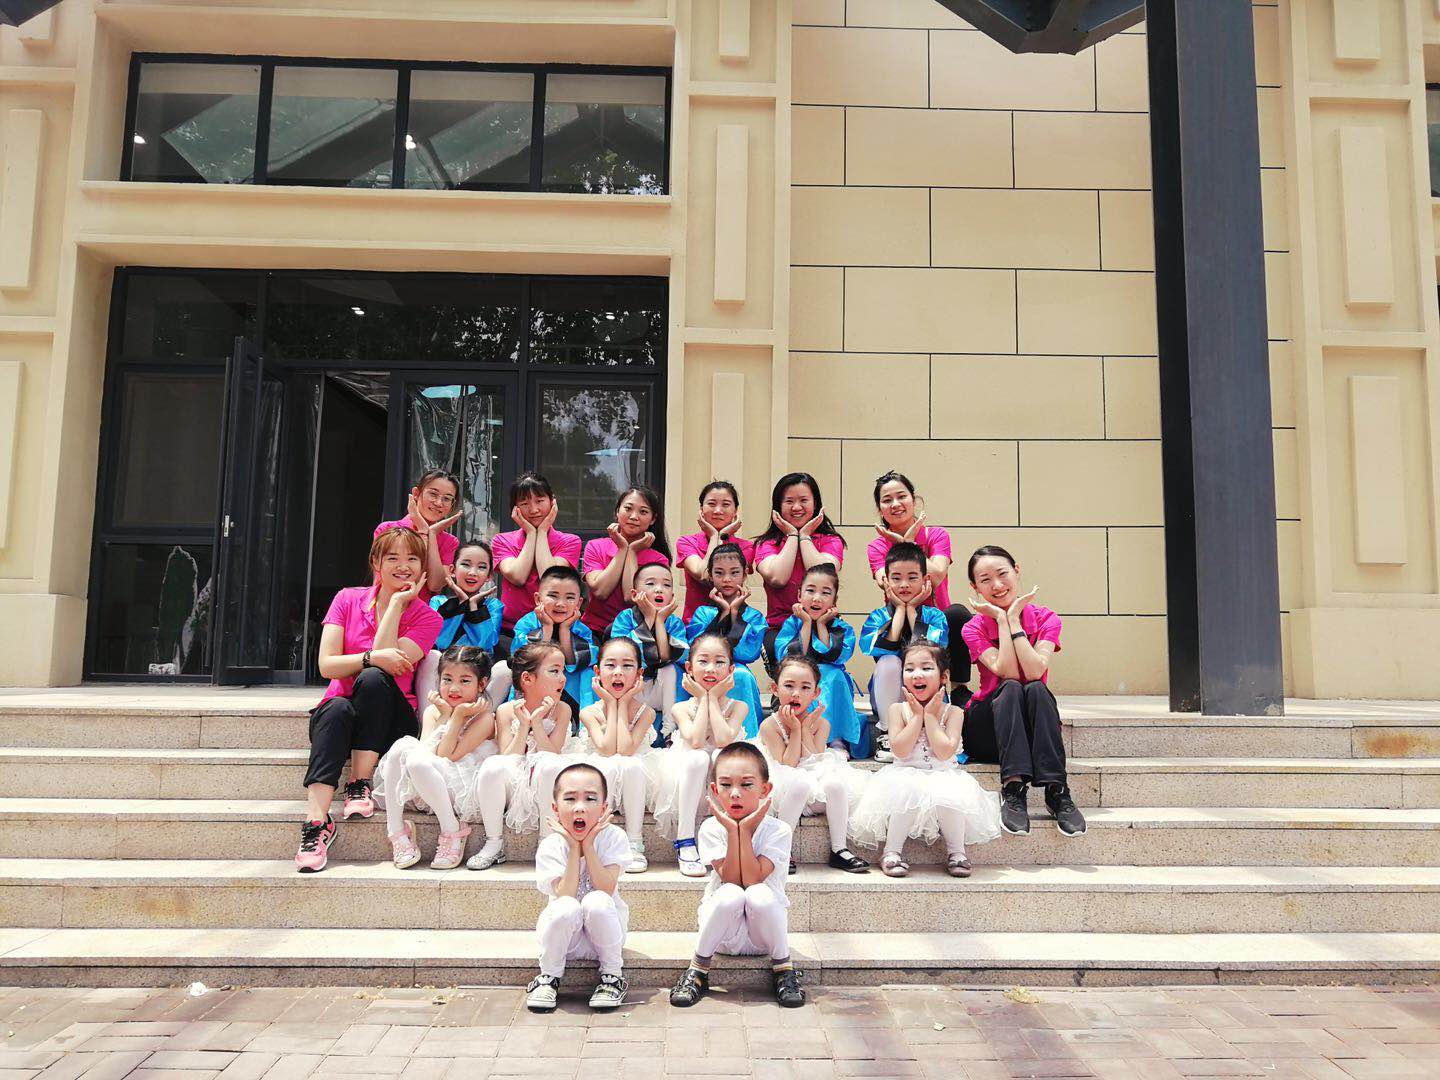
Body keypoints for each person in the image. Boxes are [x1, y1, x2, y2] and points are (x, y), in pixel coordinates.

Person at [297, 526, 443, 873]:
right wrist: (369, 658)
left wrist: (397, 604)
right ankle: (316, 823)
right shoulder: (347, 599)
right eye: (392, 558)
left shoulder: (428, 617)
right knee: (334, 708)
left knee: (374, 678)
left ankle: (359, 781)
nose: (403, 566)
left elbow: (385, 666)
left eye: (412, 559)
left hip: (391, 720)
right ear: (376, 563)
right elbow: (327, 665)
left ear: (423, 568)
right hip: (343, 713)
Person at [961, 545, 1086, 837]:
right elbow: (1007, 671)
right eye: (985, 580)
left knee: (1037, 689)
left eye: (1002, 574)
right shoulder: (972, 628)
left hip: (1031, 728)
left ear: (1016, 571)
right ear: (975, 587)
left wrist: (1014, 619)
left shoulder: (1047, 618)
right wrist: (1002, 620)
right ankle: (1013, 788)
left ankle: (1057, 791)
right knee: (1011, 687)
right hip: (988, 728)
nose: (996, 585)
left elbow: (1034, 672)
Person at [669, 741, 804, 1009]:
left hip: (763, 935)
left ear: (765, 789)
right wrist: (734, 831)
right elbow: (732, 879)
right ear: (714, 790)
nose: (735, 794)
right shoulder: (711, 828)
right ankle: (698, 969)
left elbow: (753, 879)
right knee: (731, 893)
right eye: (726, 785)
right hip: (723, 935)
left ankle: (783, 968)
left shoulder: (778, 830)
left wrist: (743, 830)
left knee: (758, 893)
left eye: (746, 784)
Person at [851, 641, 1002, 878]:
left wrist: (930, 717)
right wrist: (916, 717)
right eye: (909, 669)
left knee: (950, 794)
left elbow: (944, 752)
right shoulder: (897, 710)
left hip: (942, 773)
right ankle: (891, 851)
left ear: (944, 677)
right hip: (904, 774)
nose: (917, 674)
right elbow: (900, 750)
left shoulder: (954, 712)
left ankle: (957, 852)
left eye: (926, 668)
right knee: (908, 790)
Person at [373, 645, 495, 870]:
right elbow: (426, 752)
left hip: (463, 791)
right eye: (447, 679)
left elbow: (448, 755)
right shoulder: (434, 711)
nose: (454, 688)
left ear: (482, 684)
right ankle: (396, 831)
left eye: (465, 681)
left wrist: (457, 717)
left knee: (413, 757)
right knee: (402, 747)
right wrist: (445, 714)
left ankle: (452, 829)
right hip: (429, 784)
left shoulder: (484, 718)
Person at [527, 762, 631, 1013]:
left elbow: (605, 888)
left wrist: (589, 845)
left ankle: (612, 977)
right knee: (566, 905)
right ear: (555, 807)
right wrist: (574, 847)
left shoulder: (614, 837)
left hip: (605, 935)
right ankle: (549, 977)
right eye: (570, 799)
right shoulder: (552, 845)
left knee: (597, 900)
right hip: (565, 939)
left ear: (604, 808)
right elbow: (565, 894)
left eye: (590, 799)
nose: (580, 807)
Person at [757, 655, 870, 875]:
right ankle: (781, 848)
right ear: (775, 689)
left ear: (816, 693)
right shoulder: (770, 725)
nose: (796, 693)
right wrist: (795, 730)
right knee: (800, 784)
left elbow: (816, 759)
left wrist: (805, 728)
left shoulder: (821, 723)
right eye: (789, 686)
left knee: (835, 784)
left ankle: (839, 849)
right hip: (783, 793)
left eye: (805, 687)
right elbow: (788, 764)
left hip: (814, 793)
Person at [466, 642, 575, 870]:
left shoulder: (562, 710)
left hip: (548, 783)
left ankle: (548, 843)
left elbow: (553, 753)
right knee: (493, 765)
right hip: (515, 782)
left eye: (563, 671)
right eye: (554, 671)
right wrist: (524, 725)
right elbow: (508, 756)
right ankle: (494, 843)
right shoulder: (506, 710)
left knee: (548, 763)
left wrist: (538, 723)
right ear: (527, 679)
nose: (563, 678)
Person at [651, 632, 749, 877]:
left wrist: (711, 697)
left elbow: (723, 740)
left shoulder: (739, 707)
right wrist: (706, 699)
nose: (711, 668)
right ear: (689, 668)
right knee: (699, 757)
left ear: (731, 670)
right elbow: (695, 741)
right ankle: (685, 840)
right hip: (688, 778)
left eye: (719, 662)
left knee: (719, 756)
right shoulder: (681, 708)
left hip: (724, 781)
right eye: (703, 661)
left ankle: (725, 835)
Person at [867, 471, 973, 696]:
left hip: (937, 623)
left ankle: (959, 689)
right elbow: (885, 582)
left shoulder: (937, 535)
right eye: (887, 500)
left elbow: (937, 575)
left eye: (901, 496)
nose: (895, 504)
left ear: (913, 500)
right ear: (880, 509)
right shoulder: (877, 547)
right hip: (901, 619)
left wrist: (909, 544)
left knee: (958, 614)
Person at [860, 542, 948, 762]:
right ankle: (888, 734)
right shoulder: (878, 617)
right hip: (891, 696)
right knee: (889, 662)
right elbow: (873, 647)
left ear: (925, 580)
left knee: (923, 663)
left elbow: (928, 649)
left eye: (912, 577)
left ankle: (929, 730)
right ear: (886, 581)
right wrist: (900, 609)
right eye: (897, 578)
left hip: (928, 695)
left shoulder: (936, 616)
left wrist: (911, 611)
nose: (904, 584)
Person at [753, 473, 845, 677]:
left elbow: (823, 574)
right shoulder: (766, 544)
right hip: (780, 628)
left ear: (815, 503)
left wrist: (805, 536)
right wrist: (793, 536)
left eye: (804, 500)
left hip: (823, 624)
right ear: (778, 506)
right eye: (789, 501)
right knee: (790, 675)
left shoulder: (830, 541)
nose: (797, 507)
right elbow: (778, 578)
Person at [577, 637, 657, 872]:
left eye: (628, 665)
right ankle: (599, 839)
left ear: (639, 674)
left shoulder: (646, 712)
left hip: (637, 780)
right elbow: (606, 749)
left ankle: (634, 841)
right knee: (609, 765)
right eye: (610, 665)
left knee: (630, 765)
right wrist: (612, 704)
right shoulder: (589, 712)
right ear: (597, 672)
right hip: (603, 777)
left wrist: (622, 704)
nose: (618, 672)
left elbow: (626, 749)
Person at [772, 564, 864, 758]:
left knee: (833, 674)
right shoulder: (792, 623)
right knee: (802, 677)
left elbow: (835, 655)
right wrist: (806, 623)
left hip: (831, 679)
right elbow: (791, 658)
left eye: (825, 593)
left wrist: (821, 624)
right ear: (799, 595)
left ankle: (836, 738)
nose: (816, 598)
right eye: (810, 590)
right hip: (801, 681)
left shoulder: (841, 627)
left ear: (834, 600)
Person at [491, 472, 583, 649]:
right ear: (515, 508)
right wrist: (531, 533)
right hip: (510, 629)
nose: (533, 510)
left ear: (552, 501)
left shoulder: (570, 541)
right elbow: (517, 576)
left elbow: (549, 575)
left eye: (540, 501)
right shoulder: (502, 540)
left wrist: (542, 531)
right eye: (524, 504)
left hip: (559, 629)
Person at [684, 542, 767, 736]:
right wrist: (724, 614)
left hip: (736, 668)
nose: (727, 579)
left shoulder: (754, 616)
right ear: (710, 575)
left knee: (741, 675)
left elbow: (748, 653)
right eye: (719, 573)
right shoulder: (703, 613)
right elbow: (697, 648)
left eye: (734, 573)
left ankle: (748, 737)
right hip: (706, 668)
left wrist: (735, 612)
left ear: (745, 574)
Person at [582, 485, 672, 638]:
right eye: (628, 509)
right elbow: (600, 591)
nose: (634, 516)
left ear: (653, 519)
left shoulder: (658, 559)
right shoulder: (595, 546)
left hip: (636, 631)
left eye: (643, 512)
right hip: (593, 631)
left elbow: (630, 597)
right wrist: (623, 549)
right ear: (617, 512)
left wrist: (632, 551)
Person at [607, 562, 687, 731]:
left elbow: (666, 656)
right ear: (635, 594)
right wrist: (649, 618)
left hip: (659, 691)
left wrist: (660, 621)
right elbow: (624, 652)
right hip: (631, 689)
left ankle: (669, 731)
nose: (659, 589)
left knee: (669, 669)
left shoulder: (674, 623)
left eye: (666, 585)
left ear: (672, 595)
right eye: (650, 584)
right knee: (624, 667)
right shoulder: (625, 618)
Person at [508, 565, 596, 714]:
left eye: (569, 597)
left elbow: (574, 662)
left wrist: (565, 630)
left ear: (579, 603)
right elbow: (527, 662)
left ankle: (579, 718)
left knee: (588, 673)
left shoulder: (582, 630)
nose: (560, 603)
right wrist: (547, 628)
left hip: (569, 684)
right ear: (538, 599)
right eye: (553, 596)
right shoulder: (527, 624)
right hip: (535, 681)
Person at [373, 469, 463, 597]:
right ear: (416, 493)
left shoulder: (449, 541)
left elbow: (435, 585)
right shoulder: (387, 529)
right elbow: (385, 577)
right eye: (433, 494)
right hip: (386, 605)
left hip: (422, 608)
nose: (439, 503)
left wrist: (430, 534)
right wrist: (422, 530)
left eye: (447, 499)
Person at [675, 481, 754, 622]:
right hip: (696, 625)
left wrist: (722, 536)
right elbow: (704, 574)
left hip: (734, 623)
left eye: (725, 504)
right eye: (711, 504)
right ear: (701, 509)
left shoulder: (746, 547)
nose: (718, 510)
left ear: (735, 510)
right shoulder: (687, 542)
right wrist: (714, 536)